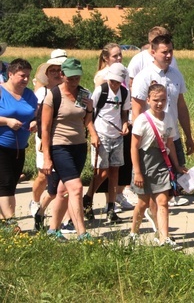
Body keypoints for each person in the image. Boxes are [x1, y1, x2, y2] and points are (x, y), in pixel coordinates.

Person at [131, 34, 194, 207]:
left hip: (171, 136)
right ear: (152, 52)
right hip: (151, 141)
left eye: (171, 51)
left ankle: (162, 217)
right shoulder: (143, 77)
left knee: (174, 178)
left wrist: (188, 135)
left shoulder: (176, 75)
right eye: (164, 52)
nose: (168, 55)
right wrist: (140, 139)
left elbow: (181, 107)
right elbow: (136, 111)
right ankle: (157, 221)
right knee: (154, 186)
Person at [41, 58, 97, 241]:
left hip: (79, 146)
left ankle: (52, 230)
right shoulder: (53, 96)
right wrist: (47, 158)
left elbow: (86, 119)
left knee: (63, 191)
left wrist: (92, 127)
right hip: (59, 146)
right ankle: (82, 233)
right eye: (70, 78)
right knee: (77, 188)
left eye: (77, 77)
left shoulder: (83, 94)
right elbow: (45, 128)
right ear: (62, 75)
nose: (74, 81)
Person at [128, 83, 186, 249]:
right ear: (148, 100)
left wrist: (177, 165)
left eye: (163, 99)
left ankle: (163, 238)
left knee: (162, 200)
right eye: (155, 100)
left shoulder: (168, 118)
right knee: (143, 202)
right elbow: (134, 147)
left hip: (162, 162)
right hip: (145, 163)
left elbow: (170, 143)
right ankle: (134, 232)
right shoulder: (142, 120)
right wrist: (137, 172)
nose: (159, 103)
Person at [82, 63, 131, 224]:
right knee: (101, 172)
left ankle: (110, 208)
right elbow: (89, 113)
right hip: (101, 134)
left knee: (114, 172)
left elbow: (124, 113)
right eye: (112, 81)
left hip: (117, 136)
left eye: (117, 81)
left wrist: (125, 124)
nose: (115, 84)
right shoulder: (101, 90)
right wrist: (93, 134)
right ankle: (88, 198)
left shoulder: (124, 92)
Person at [29, 49, 67, 230]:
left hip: (63, 140)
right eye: (53, 70)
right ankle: (35, 201)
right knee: (44, 176)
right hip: (44, 139)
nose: (57, 73)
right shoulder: (41, 93)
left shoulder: (70, 91)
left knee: (64, 182)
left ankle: (64, 218)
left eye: (60, 69)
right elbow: (35, 116)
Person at [0, 59, 38, 228]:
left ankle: (4, 222)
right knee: (6, 183)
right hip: (1, 145)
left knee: (11, 184)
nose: (25, 79)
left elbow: (35, 114)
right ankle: (11, 224)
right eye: (22, 75)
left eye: (28, 76)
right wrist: (6, 121)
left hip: (19, 147)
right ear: (10, 74)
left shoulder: (29, 95)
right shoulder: (1, 92)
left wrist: (35, 122)